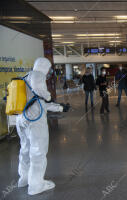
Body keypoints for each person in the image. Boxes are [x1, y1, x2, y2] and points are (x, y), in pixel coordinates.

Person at [16, 57, 69, 195]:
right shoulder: (37, 75)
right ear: (44, 66)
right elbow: (43, 97)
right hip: (35, 119)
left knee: (25, 149)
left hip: (22, 118)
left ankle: (24, 178)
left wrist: (60, 108)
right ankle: (36, 185)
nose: (49, 71)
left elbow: (38, 102)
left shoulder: (25, 76)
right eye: (48, 68)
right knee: (38, 151)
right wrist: (48, 96)